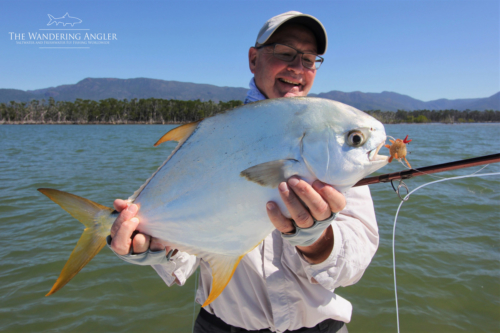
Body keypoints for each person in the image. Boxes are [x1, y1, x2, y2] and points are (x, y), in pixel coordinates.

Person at [108, 11, 379, 333]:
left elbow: (353, 267)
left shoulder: (332, 145)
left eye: (309, 59)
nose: (297, 68)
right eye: (285, 53)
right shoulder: (211, 138)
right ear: (254, 59)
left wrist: (317, 239)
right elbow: (191, 246)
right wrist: (158, 246)